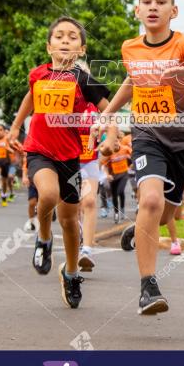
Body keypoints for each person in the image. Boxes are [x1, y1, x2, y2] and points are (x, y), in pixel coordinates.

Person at [95, 0, 184, 315]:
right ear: (138, 10)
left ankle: (136, 228)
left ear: (174, 11)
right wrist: (108, 113)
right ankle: (148, 287)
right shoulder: (130, 48)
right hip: (146, 135)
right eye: (147, 2)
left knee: (162, 215)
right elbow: (132, 80)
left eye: (161, 2)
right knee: (151, 200)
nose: (153, 7)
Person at [8, 16, 111, 310]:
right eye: (59, 36)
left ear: (82, 48)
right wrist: (16, 127)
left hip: (70, 156)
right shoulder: (38, 74)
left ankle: (71, 273)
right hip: (39, 149)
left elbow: (109, 110)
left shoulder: (84, 79)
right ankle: (42, 239)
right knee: (48, 195)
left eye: (72, 37)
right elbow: (31, 98)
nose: (65, 40)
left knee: (69, 221)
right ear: (48, 46)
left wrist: (111, 135)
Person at [77, 101, 102, 272]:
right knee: (73, 206)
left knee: (89, 201)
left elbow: (109, 122)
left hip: (90, 162)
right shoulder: (67, 101)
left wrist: (109, 141)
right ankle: (78, 234)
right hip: (68, 161)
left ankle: (86, 250)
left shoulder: (97, 106)